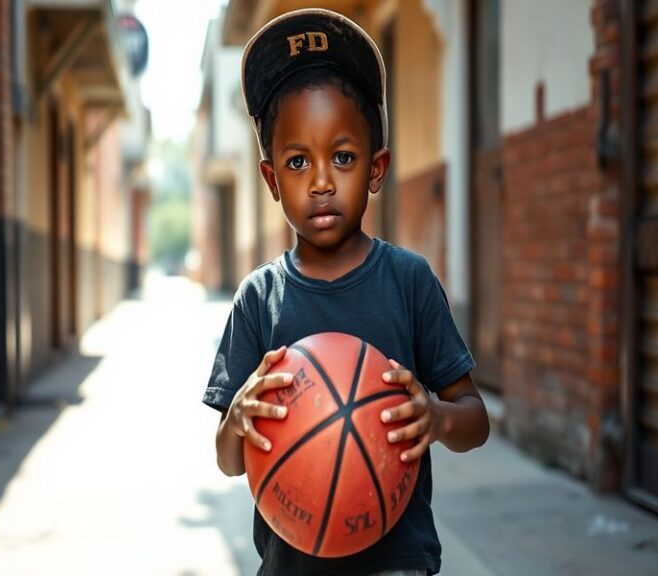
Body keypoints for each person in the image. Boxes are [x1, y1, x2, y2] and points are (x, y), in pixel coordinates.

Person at [202, 8, 489, 576]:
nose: (322, 181)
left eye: (343, 157)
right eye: (298, 161)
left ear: (377, 169)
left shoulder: (408, 282)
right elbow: (230, 462)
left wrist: (435, 417)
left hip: (398, 564)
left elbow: (475, 418)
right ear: (271, 180)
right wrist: (235, 421)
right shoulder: (259, 299)